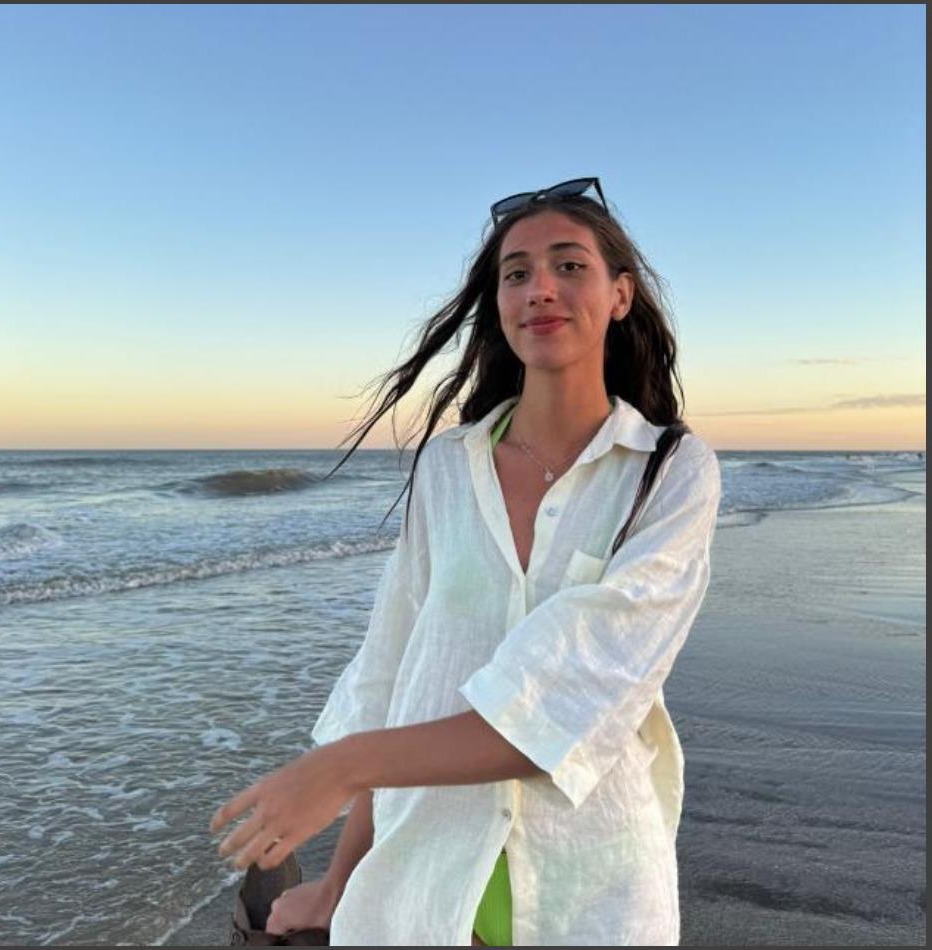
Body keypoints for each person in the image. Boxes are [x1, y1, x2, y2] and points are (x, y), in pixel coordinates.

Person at [210, 176, 722, 946]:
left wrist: (340, 767)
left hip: (589, 889)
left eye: (568, 265)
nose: (539, 289)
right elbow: (396, 673)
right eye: (515, 273)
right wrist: (341, 885)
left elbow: (566, 700)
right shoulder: (449, 466)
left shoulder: (669, 471)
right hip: (425, 878)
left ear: (619, 295)